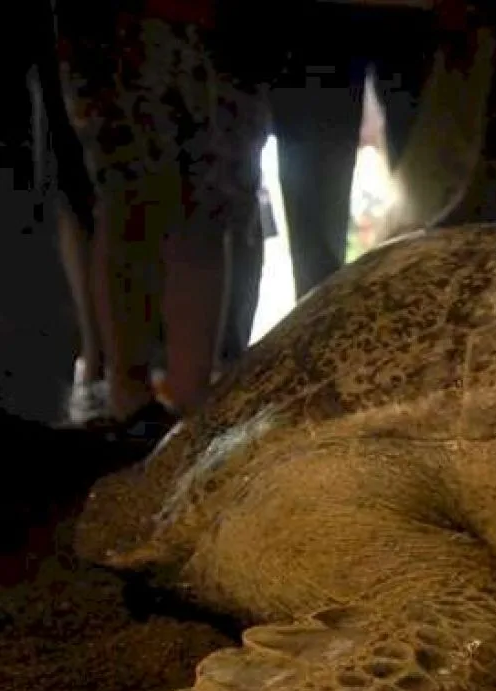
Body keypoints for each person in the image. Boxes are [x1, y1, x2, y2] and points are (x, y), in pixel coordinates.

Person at [53, 0, 272, 429]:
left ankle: (187, 399)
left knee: (206, 204)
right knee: (130, 197)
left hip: (218, 30)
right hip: (121, 28)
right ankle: (130, 397)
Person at [269, 0, 450, 299]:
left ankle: (434, 306)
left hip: (413, 17)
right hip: (312, 20)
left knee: (435, 206)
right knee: (314, 222)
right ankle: (320, 324)